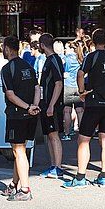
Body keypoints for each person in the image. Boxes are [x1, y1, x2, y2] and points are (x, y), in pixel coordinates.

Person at [63, 29, 105, 187]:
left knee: (83, 140)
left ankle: (80, 177)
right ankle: (104, 176)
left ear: (93, 42)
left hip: (94, 102)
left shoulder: (91, 57)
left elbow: (80, 74)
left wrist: (81, 92)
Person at [0, 35, 40, 202]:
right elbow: (37, 87)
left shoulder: (7, 68)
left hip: (18, 113)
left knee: (19, 150)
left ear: (7, 49)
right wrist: (34, 106)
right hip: (31, 113)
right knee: (20, 150)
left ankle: (25, 189)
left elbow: (10, 94)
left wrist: (27, 107)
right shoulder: (28, 66)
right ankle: (14, 184)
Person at [35, 32, 66, 179]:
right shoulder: (49, 60)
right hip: (47, 103)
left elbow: (58, 83)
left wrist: (52, 104)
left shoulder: (54, 60)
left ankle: (58, 167)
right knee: (49, 135)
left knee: (54, 135)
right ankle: (53, 165)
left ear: (42, 45)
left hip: (52, 104)